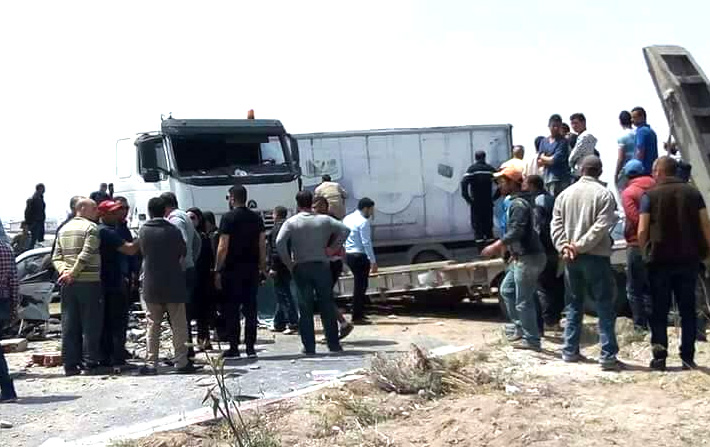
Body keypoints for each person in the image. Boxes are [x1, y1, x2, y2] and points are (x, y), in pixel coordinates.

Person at [638, 156, 710, 371]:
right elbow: (705, 225)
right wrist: (706, 252)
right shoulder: (693, 193)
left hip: (659, 262)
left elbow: (642, 230)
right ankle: (687, 357)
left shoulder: (649, 195)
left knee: (659, 311)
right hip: (688, 261)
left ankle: (659, 358)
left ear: (659, 172)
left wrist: (646, 252)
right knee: (688, 310)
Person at [551, 155, 619, 370]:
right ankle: (607, 355)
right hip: (596, 257)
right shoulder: (605, 195)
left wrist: (565, 246)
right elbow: (600, 228)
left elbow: (556, 224)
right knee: (604, 304)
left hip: (571, 258)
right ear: (599, 171)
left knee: (573, 304)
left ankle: (570, 350)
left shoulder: (564, 195)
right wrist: (579, 245)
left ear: (581, 170)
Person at [275, 190, 350, 354]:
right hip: (322, 266)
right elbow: (345, 230)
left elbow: (279, 242)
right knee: (326, 306)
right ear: (311, 203)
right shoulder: (324, 220)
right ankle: (334, 344)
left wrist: (289, 263)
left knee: (305, 308)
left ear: (297, 203)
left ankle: (309, 347)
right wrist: (332, 249)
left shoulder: (291, 222)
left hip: (301, 267)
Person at [482, 167, 546, 351]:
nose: (499, 185)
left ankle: (532, 339)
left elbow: (517, 231)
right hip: (521, 257)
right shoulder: (515, 203)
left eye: (502, 182)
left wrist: (496, 246)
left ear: (512, 183)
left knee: (523, 299)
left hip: (529, 257)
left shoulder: (518, 204)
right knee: (507, 290)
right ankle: (520, 328)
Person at [139, 197, 200, 375]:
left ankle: (151, 363)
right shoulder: (173, 230)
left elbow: (142, 253)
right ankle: (181, 362)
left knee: (153, 325)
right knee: (179, 324)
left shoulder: (144, 231)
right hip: (174, 283)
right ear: (165, 210)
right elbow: (183, 252)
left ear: (150, 211)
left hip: (152, 284)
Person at [52, 198, 104, 376]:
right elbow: (87, 254)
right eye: (94, 208)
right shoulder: (91, 228)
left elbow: (56, 257)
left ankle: (70, 364)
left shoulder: (63, 229)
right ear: (81, 208)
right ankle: (90, 363)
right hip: (88, 281)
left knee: (69, 323)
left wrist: (65, 273)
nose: (97, 211)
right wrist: (72, 273)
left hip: (68, 283)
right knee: (91, 323)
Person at [214, 185, 267, 359]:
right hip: (251, 269)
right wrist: (262, 267)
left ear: (232, 198)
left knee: (232, 309)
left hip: (232, 270)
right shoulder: (256, 218)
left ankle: (234, 347)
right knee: (251, 309)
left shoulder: (228, 218)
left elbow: (223, 246)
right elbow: (261, 245)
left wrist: (217, 269)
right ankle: (251, 347)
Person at [96, 200, 141, 369]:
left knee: (108, 322)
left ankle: (108, 357)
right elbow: (129, 249)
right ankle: (117, 358)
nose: (118, 214)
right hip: (113, 283)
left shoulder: (108, 230)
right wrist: (143, 236)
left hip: (108, 282)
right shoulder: (107, 232)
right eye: (113, 212)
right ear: (103, 214)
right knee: (117, 322)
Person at [160, 192, 201, 356]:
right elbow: (197, 242)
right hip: (188, 269)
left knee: (177, 316)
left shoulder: (175, 220)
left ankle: (184, 352)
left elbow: (181, 244)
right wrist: (192, 260)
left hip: (180, 272)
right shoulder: (185, 216)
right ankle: (187, 350)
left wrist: (177, 267)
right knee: (183, 314)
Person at [523, 174, 564, 330]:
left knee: (544, 286)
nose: (523, 186)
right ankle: (555, 318)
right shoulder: (551, 198)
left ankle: (549, 321)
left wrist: (534, 246)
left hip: (544, 249)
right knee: (556, 285)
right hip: (555, 247)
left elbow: (539, 227)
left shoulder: (538, 201)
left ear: (533, 185)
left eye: (525, 184)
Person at [620, 160, 655, 332]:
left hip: (636, 243)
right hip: (659, 243)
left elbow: (634, 219)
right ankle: (655, 322)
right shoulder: (656, 186)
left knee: (634, 288)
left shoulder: (629, 192)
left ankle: (640, 327)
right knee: (652, 287)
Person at [314, 197, 354, 339]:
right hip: (329, 262)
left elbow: (345, 231)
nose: (315, 210)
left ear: (324, 206)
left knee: (324, 298)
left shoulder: (329, 220)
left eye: (317, 206)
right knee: (324, 297)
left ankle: (338, 327)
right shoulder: (321, 220)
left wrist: (333, 248)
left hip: (331, 262)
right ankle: (340, 325)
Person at [343, 197, 377, 325]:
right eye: (371, 210)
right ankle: (357, 316)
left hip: (349, 255)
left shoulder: (347, 218)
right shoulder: (363, 222)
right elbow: (366, 242)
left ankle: (357, 313)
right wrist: (373, 261)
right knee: (361, 286)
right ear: (366, 208)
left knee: (358, 286)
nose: (372, 213)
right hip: (360, 256)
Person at [186, 207, 217, 350]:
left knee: (203, 313)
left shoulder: (204, 237)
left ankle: (203, 341)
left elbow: (210, 259)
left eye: (193, 218)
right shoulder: (184, 237)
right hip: (188, 280)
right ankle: (188, 346)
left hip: (203, 280)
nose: (190, 221)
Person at [269, 206, 299, 335]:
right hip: (288, 264)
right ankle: (279, 322)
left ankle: (292, 322)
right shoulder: (289, 227)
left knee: (284, 295)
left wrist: (273, 267)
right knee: (282, 294)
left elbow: (275, 250)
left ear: (276, 215)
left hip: (279, 266)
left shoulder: (276, 229)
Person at [461, 151, 496, 241]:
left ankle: (481, 252)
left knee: (478, 229)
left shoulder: (472, 169)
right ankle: (491, 253)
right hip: (488, 203)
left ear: (476, 158)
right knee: (489, 229)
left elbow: (464, 184)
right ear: (484, 157)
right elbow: (501, 183)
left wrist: (468, 199)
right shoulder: (490, 169)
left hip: (476, 203)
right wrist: (494, 198)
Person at [0, 240, 19, 402]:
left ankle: (7, 391)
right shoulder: (6, 248)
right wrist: (14, 309)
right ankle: (7, 391)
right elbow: (13, 281)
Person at [537, 115, 571, 198]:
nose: (556, 128)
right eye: (554, 126)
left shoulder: (563, 142)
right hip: (547, 179)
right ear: (549, 126)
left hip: (560, 179)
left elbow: (554, 160)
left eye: (558, 126)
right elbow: (539, 162)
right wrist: (545, 159)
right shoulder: (544, 141)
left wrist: (543, 157)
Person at [631, 106, 658, 175]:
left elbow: (640, 151)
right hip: (652, 170)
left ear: (642, 117)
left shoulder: (641, 131)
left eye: (634, 117)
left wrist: (635, 169)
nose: (632, 120)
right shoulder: (651, 131)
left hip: (643, 171)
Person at [615, 111, 636, 190]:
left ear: (620, 122)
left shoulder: (622, 137)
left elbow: (621, 158)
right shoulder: (638, 132)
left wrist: (616, 174)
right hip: (640, 167)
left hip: (627, 170)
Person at [24, 183, 46, 250]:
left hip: (40, 222)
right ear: (39, 189)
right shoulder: (32, 199)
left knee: (40, 240)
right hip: (35, 222)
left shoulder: (40, 198)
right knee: (33, 240)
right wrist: (29, 223)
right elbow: (27, 212)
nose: (44, 190)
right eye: (43, 188)